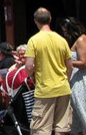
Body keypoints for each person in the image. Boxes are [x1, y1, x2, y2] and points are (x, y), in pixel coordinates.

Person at [25, 7, 73, 135]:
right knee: (62, 128)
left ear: (35, 21)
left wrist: (33, 77)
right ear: (50, 19)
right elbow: (70, 66)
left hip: (45, 89)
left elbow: (29, 66)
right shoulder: (62, 40)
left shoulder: (34, 41)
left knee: (41, 129)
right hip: (63, 88)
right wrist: (65, 80)